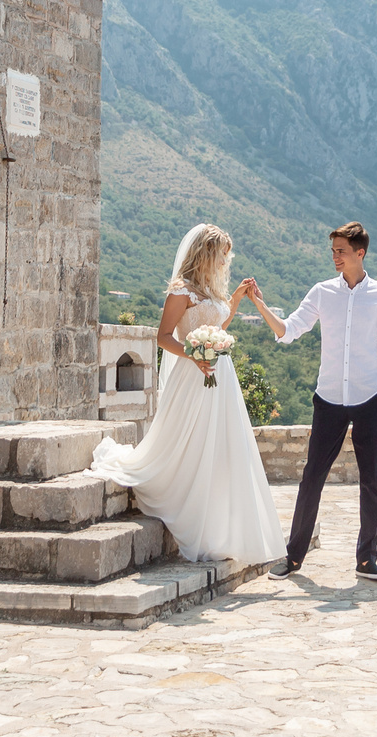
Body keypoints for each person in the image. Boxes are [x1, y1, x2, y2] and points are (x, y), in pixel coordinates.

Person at [86, 224, 286, 566]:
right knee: (192, 444)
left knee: (220, 448)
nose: (227, 261)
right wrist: (193, 356)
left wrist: (235, 301)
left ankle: (219, 527)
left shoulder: (209, 293)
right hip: (192, 375)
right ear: (206, 254)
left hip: (219, 374)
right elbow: (164, 337)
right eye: (223, 254)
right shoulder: (181, 292)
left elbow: (216, 329)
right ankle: (188, 509)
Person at [239, 221, 377, 583]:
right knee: (311, 477)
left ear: (360, 253)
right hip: (329, 399)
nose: (335, 257)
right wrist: (260, 304)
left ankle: (366, 560)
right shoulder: (321, 292)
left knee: (371, 482)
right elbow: (289, 330)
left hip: (369, 398)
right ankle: (293, 558)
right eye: (333, 251)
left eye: (341, 251)